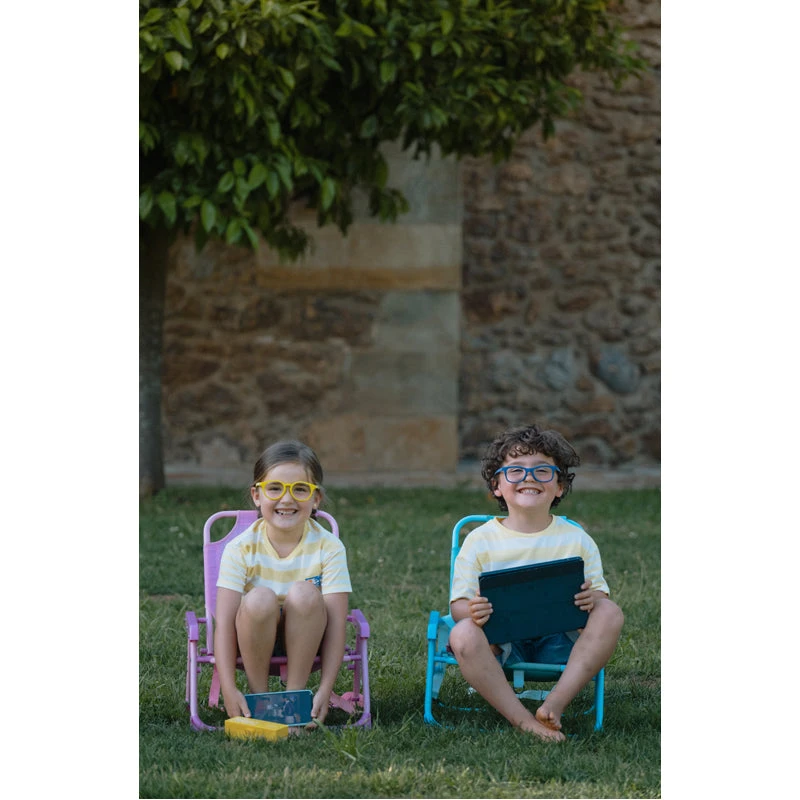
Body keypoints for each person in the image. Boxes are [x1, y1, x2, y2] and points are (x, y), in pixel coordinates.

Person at [448, 424, 624, 742]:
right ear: (496, 486)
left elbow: (598, 594)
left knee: (610, 611)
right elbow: (458, 605)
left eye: (542, 470)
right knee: (462, 633)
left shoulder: (576, 539)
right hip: (501, 646)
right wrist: (472, 611)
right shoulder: (479, 540)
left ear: (559, 487)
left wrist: (593, 599)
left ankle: (555, 703)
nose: (529, 477)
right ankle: (524, 720)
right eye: (515, 470)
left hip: (562, 642)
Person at [214, 440, 352, 729]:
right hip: (251, 638)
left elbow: (337, 623)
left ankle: (294, 703)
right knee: (259, 598)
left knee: (304, 593)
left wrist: (325, 688)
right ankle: (260, 701)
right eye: (275, 488)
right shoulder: (240, 549)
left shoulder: (329, 547)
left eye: (300, 489)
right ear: (257, 495)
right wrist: (228, 687)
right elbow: (224, 623)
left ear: (316, 498)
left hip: (308, 638)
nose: (287, 500)